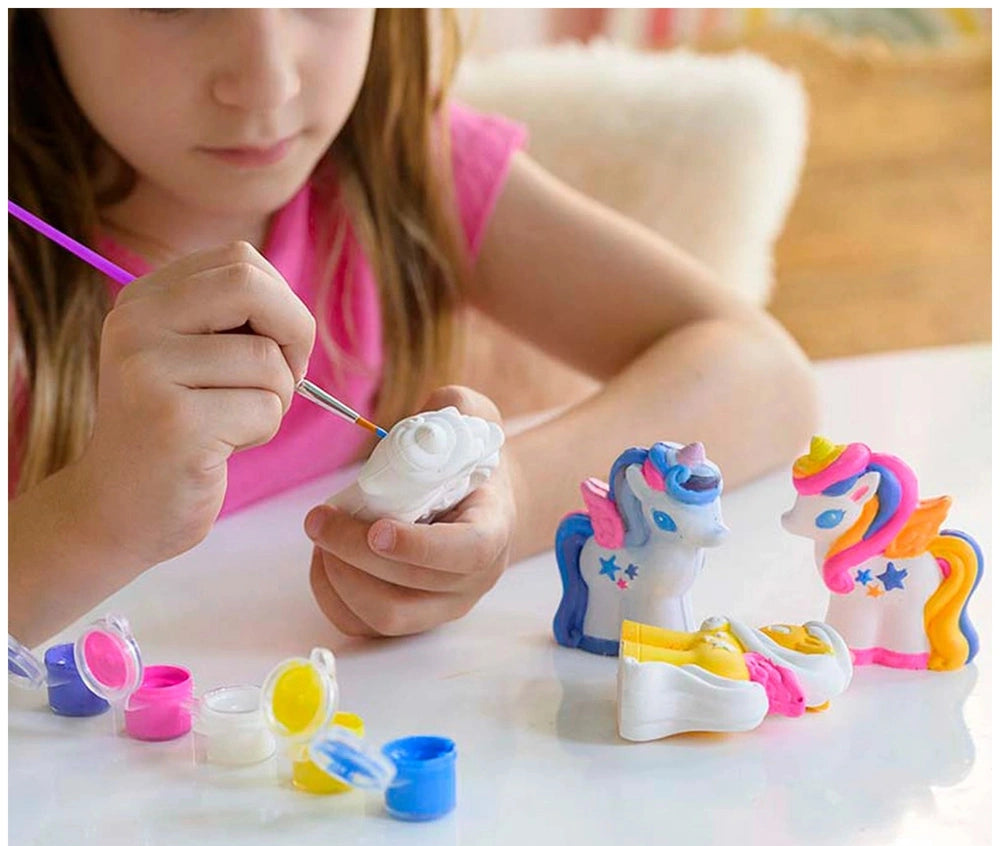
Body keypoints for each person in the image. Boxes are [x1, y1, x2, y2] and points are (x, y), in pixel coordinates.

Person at [8, 10, 818, 649]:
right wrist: (97, 516)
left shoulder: (405, 169)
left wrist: (511, 494)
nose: (265, 83)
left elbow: (764, 375)